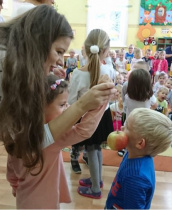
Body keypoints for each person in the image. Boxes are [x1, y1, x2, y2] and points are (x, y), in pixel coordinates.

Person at [0, 6, 116, 209]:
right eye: (58, 51)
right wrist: (84, 104)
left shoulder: (0, 49)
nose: (59, 60)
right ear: (39, 42)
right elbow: (32, 142)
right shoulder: (0, 61)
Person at [6, 75, 109, 209]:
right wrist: (102, 101)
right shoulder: (53, 137)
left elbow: (12, 172)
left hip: (24, 199)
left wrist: (15, 188)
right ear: (40, 108)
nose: (67, 108)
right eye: (62, 105)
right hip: (46, 203)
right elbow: (85, 130)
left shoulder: (17, 134)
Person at [68, 29, 114, 198]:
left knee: (91, 150)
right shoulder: (108, 70)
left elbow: (72, 101)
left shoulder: (78, 74)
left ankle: (95, 188)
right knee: (97, 150)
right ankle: (98, 179)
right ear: (106, 50)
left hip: (88, 118)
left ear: (85, 49)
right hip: (104, 116)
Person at [105, 108, 172, 209]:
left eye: (127, 127)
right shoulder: (133, 153)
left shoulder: (135, 177)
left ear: (140, 143)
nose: (122, 127)